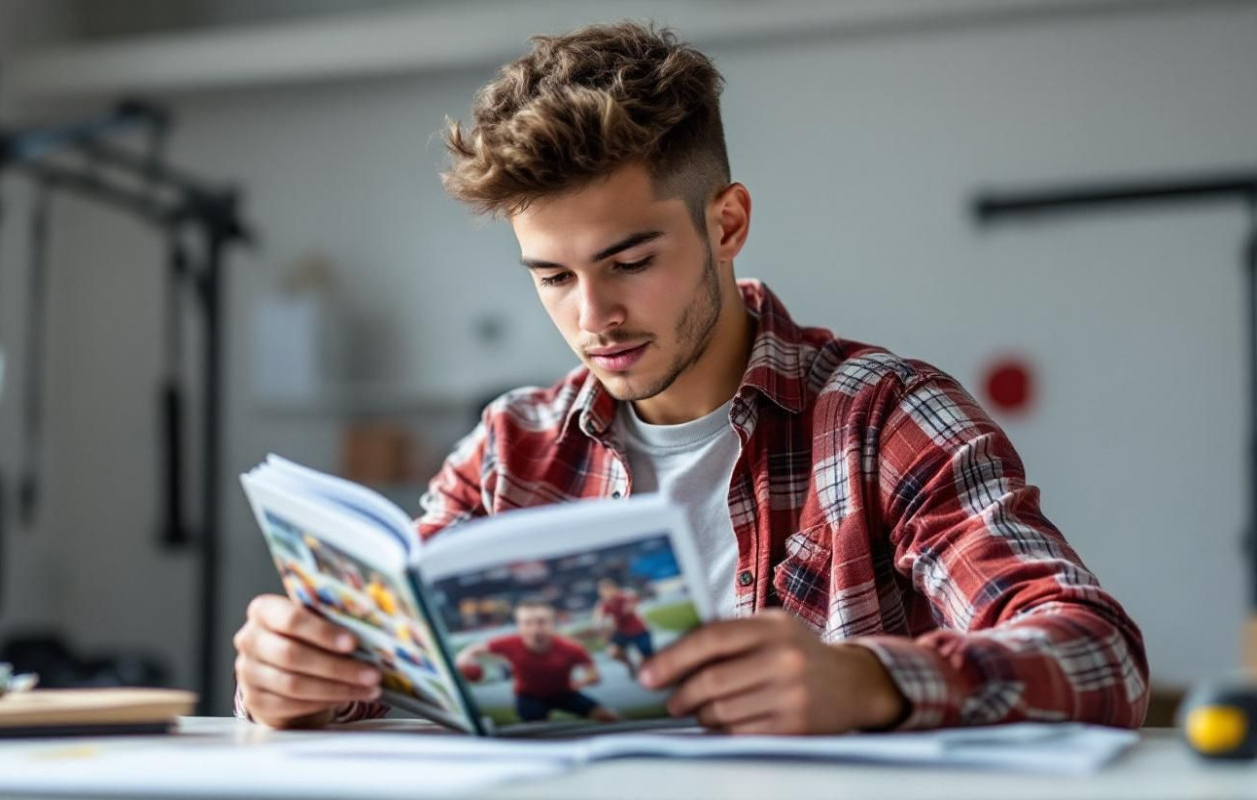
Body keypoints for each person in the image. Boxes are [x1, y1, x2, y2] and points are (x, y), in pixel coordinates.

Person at [233, 21, 1149, 734]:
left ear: (727, 222)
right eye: (553, 277)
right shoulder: (509, 452)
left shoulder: (883, 419)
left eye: (630, 262)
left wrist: (875, 683)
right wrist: (303, 682)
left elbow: (1101, 655)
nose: (592, 318)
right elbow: (415, 677)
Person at [455, 599, 619, 724]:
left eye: (541, 622)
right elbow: (474, 649)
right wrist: (464, 659)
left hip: (564, 694)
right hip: (529, 697)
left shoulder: (571, 648)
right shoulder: (509, 643)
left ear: (553, 623)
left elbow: (594, 675)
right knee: (534, 733)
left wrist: (578, 684)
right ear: (519, 625)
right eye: (527, 623)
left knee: (609, 716)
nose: (535, 630)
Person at [591, 578, 653, 680]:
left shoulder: (626, 595)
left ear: (614, 588)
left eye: (608, 590)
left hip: (639, 630)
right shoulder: (603, 604)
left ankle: (642, 665)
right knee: (613, 652)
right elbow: (597, 619)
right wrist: (600, 627)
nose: (607, 594)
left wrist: (613, 617)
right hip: (622, 632)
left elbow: (630, 607)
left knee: (647, 659)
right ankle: (630, 664)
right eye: (603, 592)